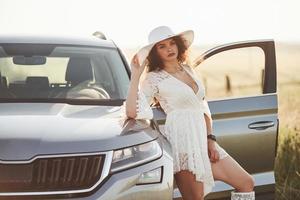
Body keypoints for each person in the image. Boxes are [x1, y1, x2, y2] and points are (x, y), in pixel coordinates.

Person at [124, 26, 255, 200]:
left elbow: (202, 106)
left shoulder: (189, 69)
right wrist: (135, 76)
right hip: (183, 143)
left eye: (172, 43)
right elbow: (132, 112)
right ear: (155, 53)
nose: (169, 48)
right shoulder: (154, 78)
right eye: (161, 46)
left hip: (203, 141)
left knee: (246, 183)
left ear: (178, 45)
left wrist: (211, 139)